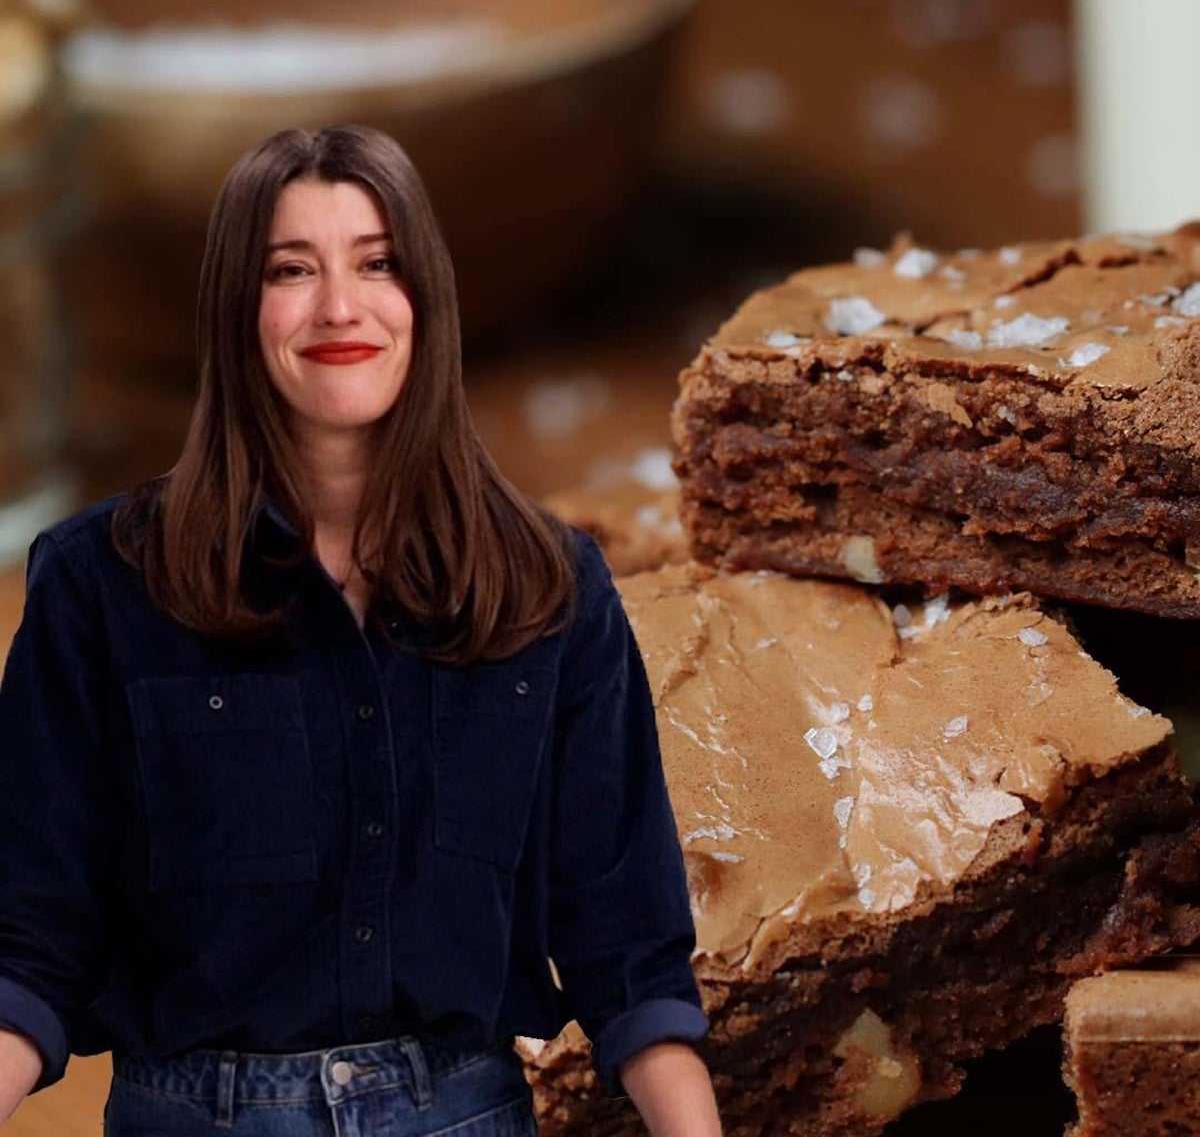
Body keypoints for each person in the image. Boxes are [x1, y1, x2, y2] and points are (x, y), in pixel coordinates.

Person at [0, 125, 722, 1135]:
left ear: (425, 298)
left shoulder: (550, 587)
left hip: (464, 1110)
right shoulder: (99, 584)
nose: (341, 306)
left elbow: (629, 949)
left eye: (378, 264)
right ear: (235, 310)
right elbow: (30, 939)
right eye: (292, 270)